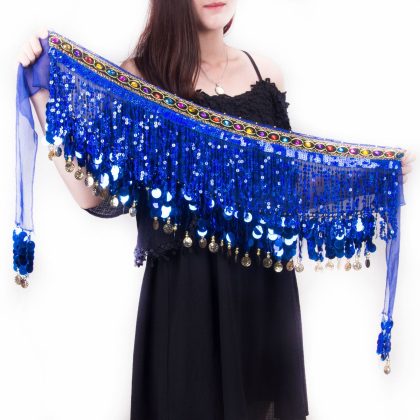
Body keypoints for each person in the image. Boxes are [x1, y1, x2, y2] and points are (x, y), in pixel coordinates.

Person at [18, 1, 415, 419]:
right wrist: (40, 88)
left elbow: (286, 192)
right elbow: (92, 195)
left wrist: (368, 178)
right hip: (188, 301)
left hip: (263, 299)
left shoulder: (265, 74)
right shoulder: (140, 78)